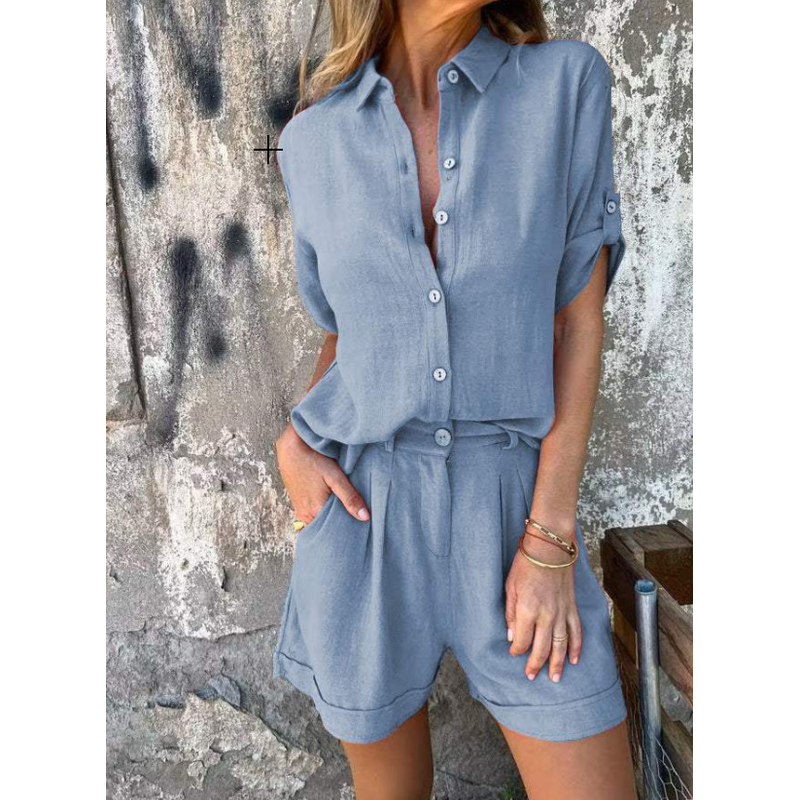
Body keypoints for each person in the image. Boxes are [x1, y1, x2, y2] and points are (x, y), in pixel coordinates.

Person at [273, 2, 637, 798]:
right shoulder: (314, 139)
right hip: (365, 515)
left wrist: (550, 536)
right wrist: (294, 443)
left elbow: (578, 320)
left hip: (515, 511)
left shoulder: (563, 87)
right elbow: (345, 329)